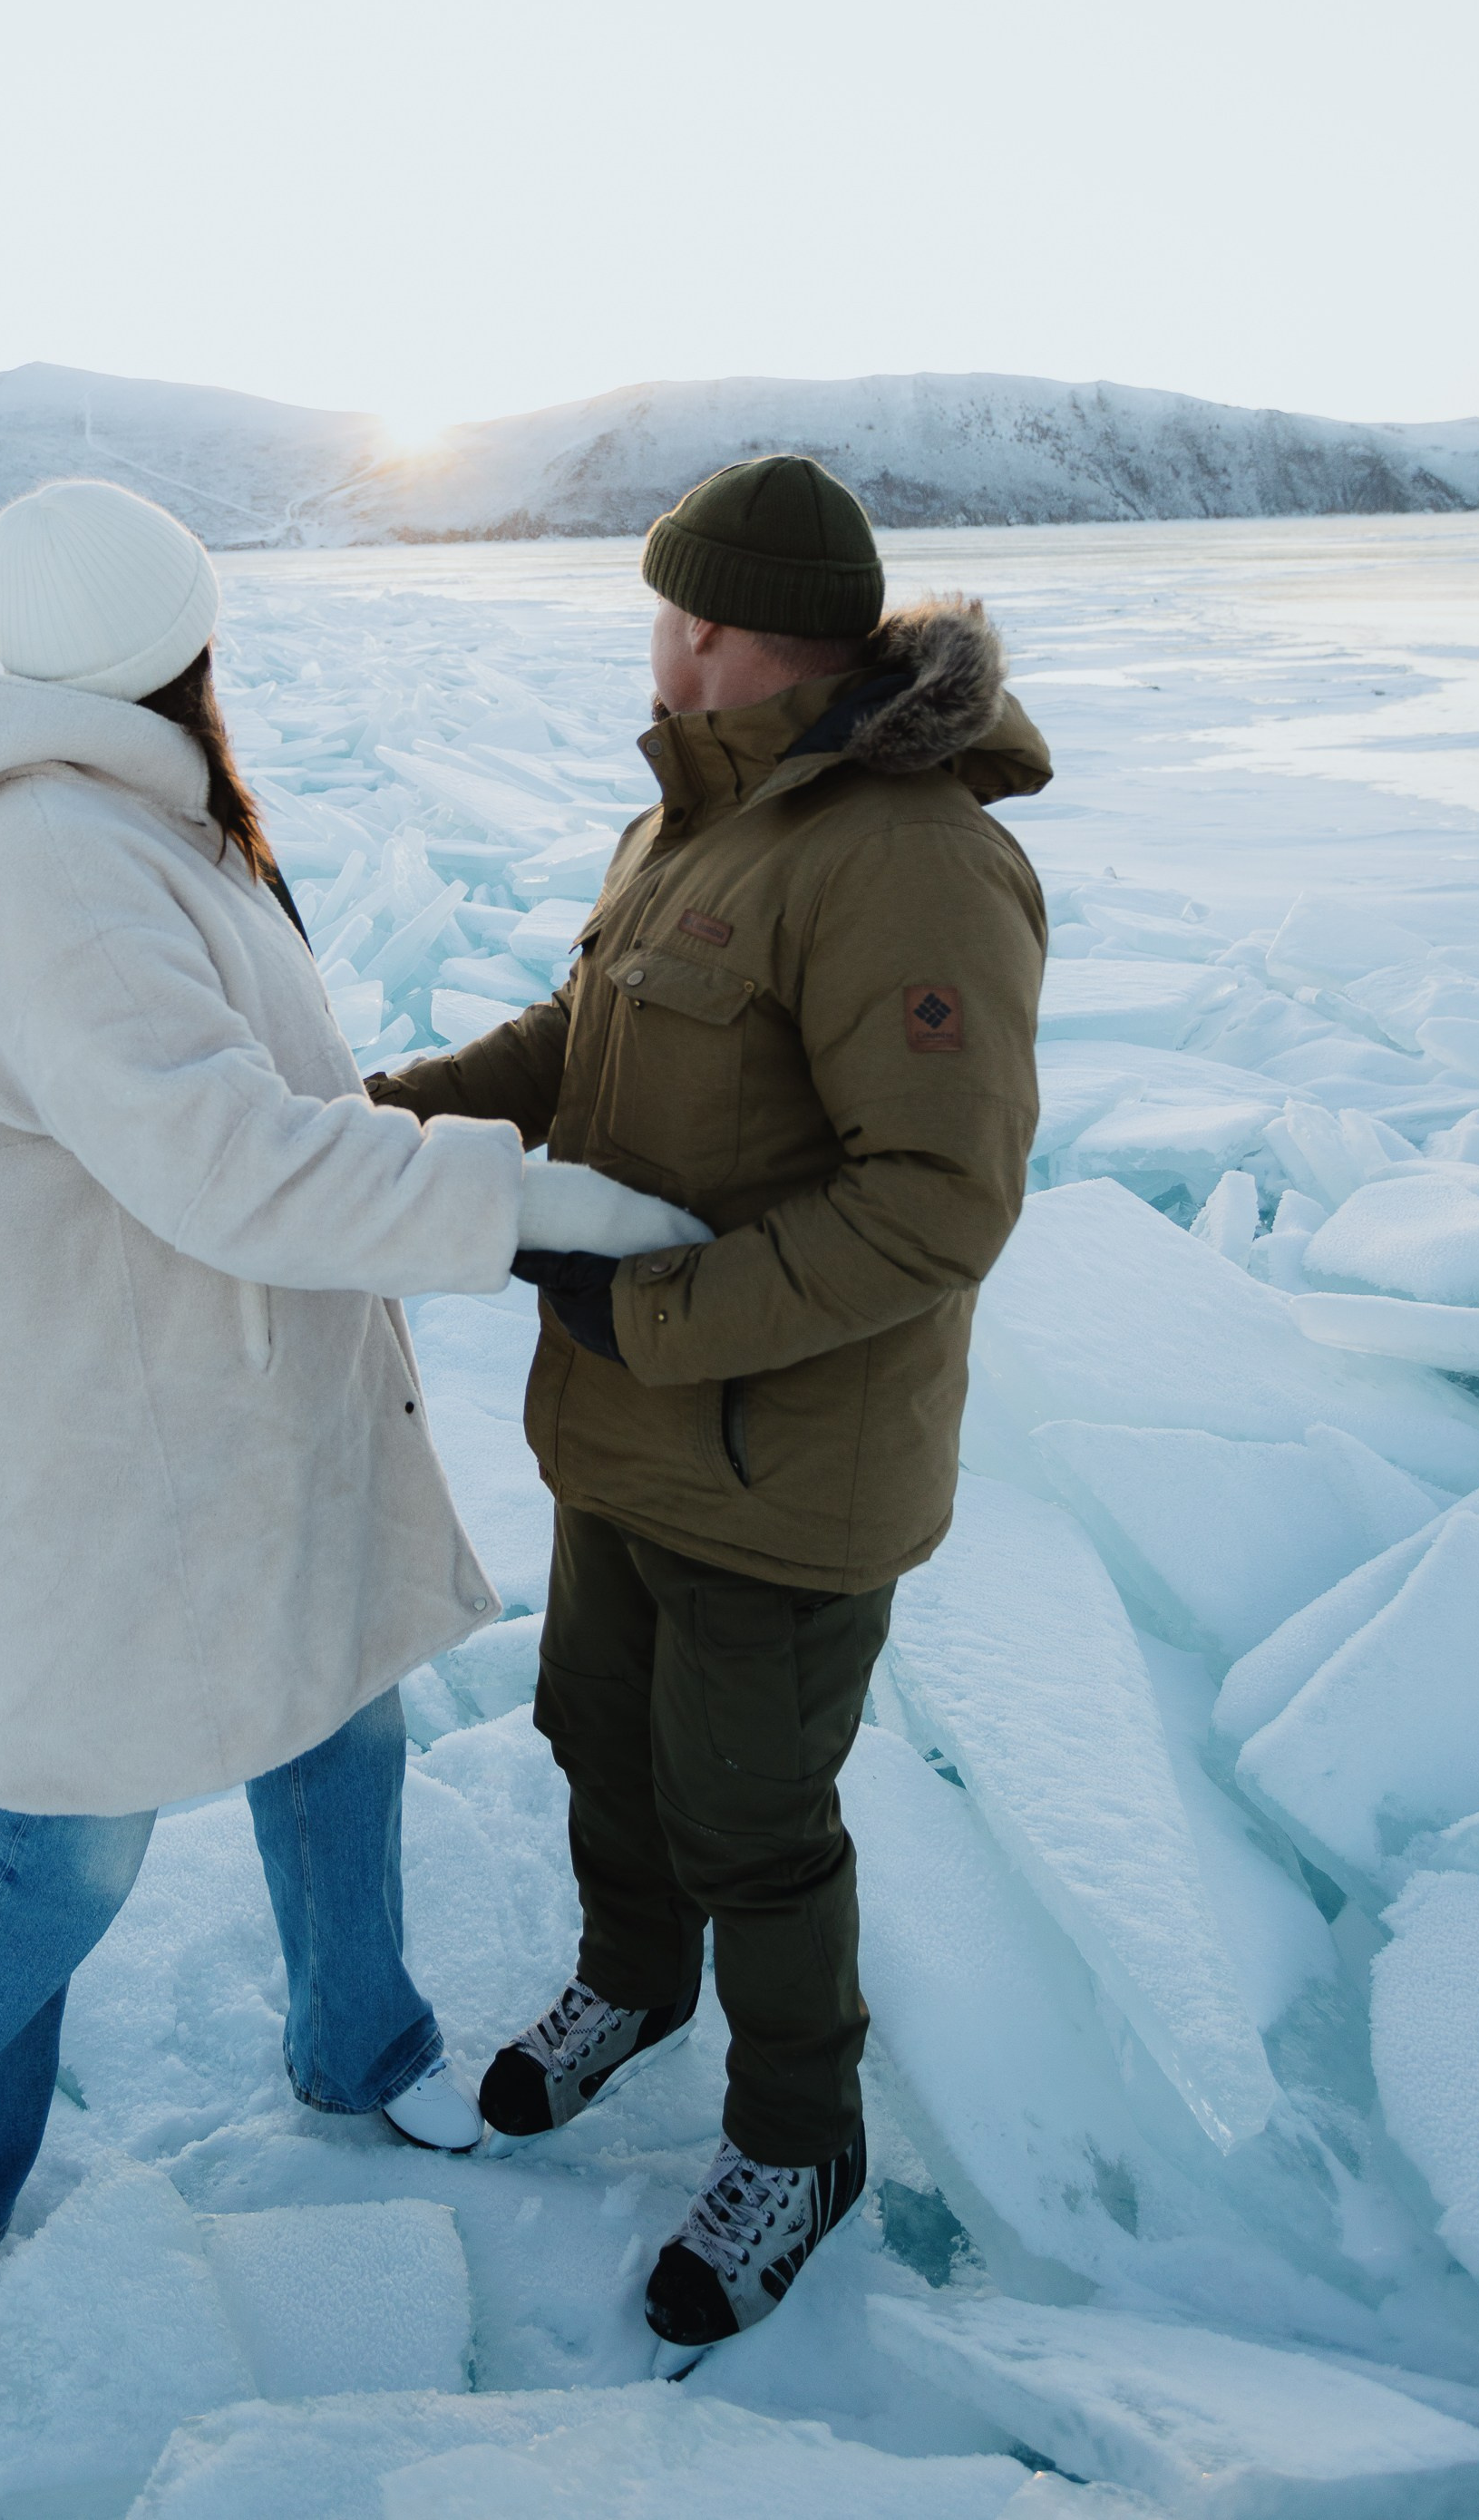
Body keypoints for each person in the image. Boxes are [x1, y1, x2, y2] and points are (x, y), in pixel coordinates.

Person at [0, 475, 698, 2329]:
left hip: (241, 1399)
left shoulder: (148, 824)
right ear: (180, 650)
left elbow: (271, 1105)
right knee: (53, 1831)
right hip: (113, 1439)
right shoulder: (51, 857)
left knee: (336, 1721)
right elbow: (227, 1157)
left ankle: (357, 2045)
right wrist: (526, 1207)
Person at [369, 453, 1048, 2364]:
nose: (657, 645)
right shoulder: (692, 823)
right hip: (632, 1431)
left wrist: (644, 1309)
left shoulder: (905, 856)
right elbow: (581, 1051)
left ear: (762, 638)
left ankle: (794, 2141)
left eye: (688, 618)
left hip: (780, 1463)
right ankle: (625, 1982)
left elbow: (933, 1201)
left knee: (752, 1815)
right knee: (601, 1734)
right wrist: (379, 1120)